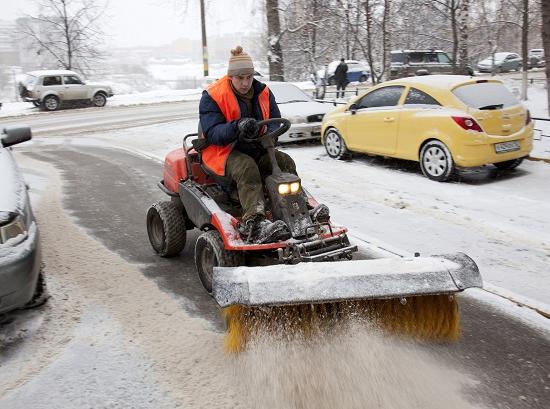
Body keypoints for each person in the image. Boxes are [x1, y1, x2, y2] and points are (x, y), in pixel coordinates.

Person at [198, 46, 329, 244]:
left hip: (255, 146)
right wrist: (237, 127)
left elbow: (274, 120)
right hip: (222, 152)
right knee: (247, 167)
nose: (245, 83)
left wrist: (267, 133)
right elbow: (212, 132)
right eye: (240, 78)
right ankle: (254, 222)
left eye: (249, 77)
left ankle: (300, 208)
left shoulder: (264, 93)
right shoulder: (212, 96)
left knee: (283, 161)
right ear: (231, 76)